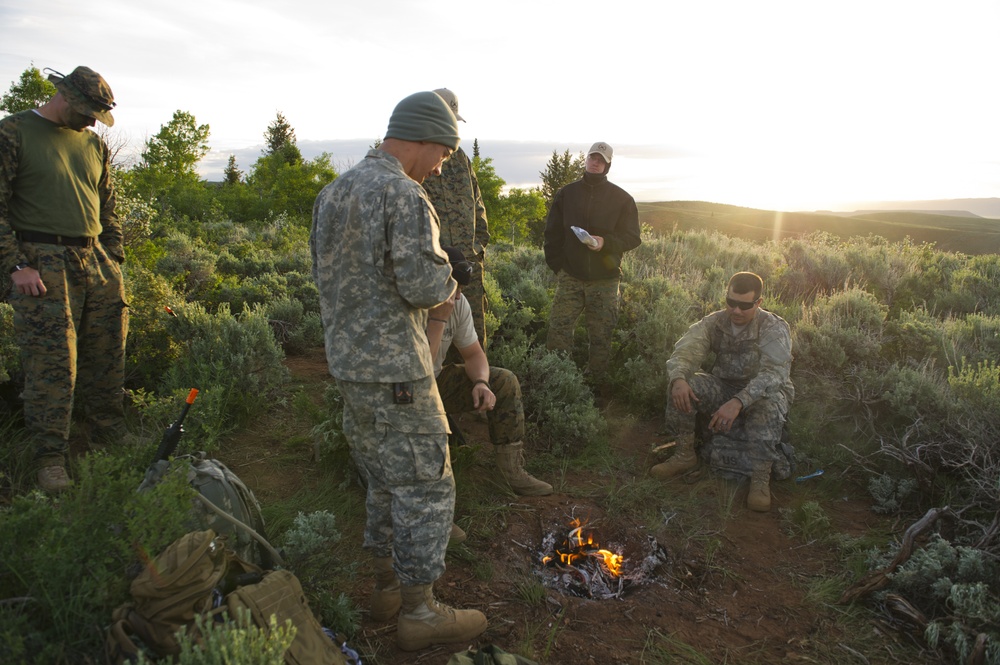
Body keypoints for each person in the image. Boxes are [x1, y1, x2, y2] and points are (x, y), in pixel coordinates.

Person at [310, 90, 487, 652]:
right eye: (442, 155)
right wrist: (451, 274)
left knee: (382, 480)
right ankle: (420, 611)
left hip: (349, 366)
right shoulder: (403, 193)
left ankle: (386, 587)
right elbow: (425, 286)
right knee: (426, 484)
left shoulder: (334, 192)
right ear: (428, 139)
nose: (439, 168)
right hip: (398, 371)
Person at [0, 66, 127, 493]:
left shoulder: (94, 145)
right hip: (41, 261)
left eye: (98, 114)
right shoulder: (13, 132)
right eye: (88, 111)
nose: (93, 121)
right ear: (65, 97)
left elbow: (106, 204)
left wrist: (114, 256)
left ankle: (106, 431)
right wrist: (17, 266)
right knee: (53, 361)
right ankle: (51, 456)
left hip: (94, 259)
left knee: (106, 349)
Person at [650, 272, 794, 512]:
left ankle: (760, 477)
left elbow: (774, 374)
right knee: (685, 385)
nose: (736, 311)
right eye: (731, 302)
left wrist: (739, 402)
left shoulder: (773, 327)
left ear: (758, 303)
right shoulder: (715, 322)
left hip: (762, 391)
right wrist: (678, 378)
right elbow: (685, 351)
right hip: (724, 385)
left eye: (745, 305)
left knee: (768, 408)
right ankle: (685, 454)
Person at [427, 246, 552, 497]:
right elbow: (418, 371)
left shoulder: (457, 304)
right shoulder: (408, 307)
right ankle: (429, 503)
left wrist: (481, 382)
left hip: (436, 381)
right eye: (454, 289)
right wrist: (438, 320)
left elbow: (473, 354)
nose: (459, 297)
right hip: (403, 391)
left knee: (503, 381)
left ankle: (510, 472)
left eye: (461, 289)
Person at [543, 141, 640, 398]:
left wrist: (606, 244)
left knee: (600, 336)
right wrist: (558, 267)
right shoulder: (567, 193)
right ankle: (554, 380)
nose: (595, 161)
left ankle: (594, 390)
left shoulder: (622, 199)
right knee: (559, 330)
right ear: (585, 160)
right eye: (592, 157)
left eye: (601, 159)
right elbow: (551, 233)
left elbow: (633, 237)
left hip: (605, 280)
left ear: (608, 164)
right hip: (570, 277)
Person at [422, 88, 490, 349]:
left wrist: (477, 250)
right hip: (432, 266)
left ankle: (475, 386)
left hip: (467, 264)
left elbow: (478, 206)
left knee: (472, 340)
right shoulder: (414, 156)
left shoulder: (460, 157)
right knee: (432, 339)